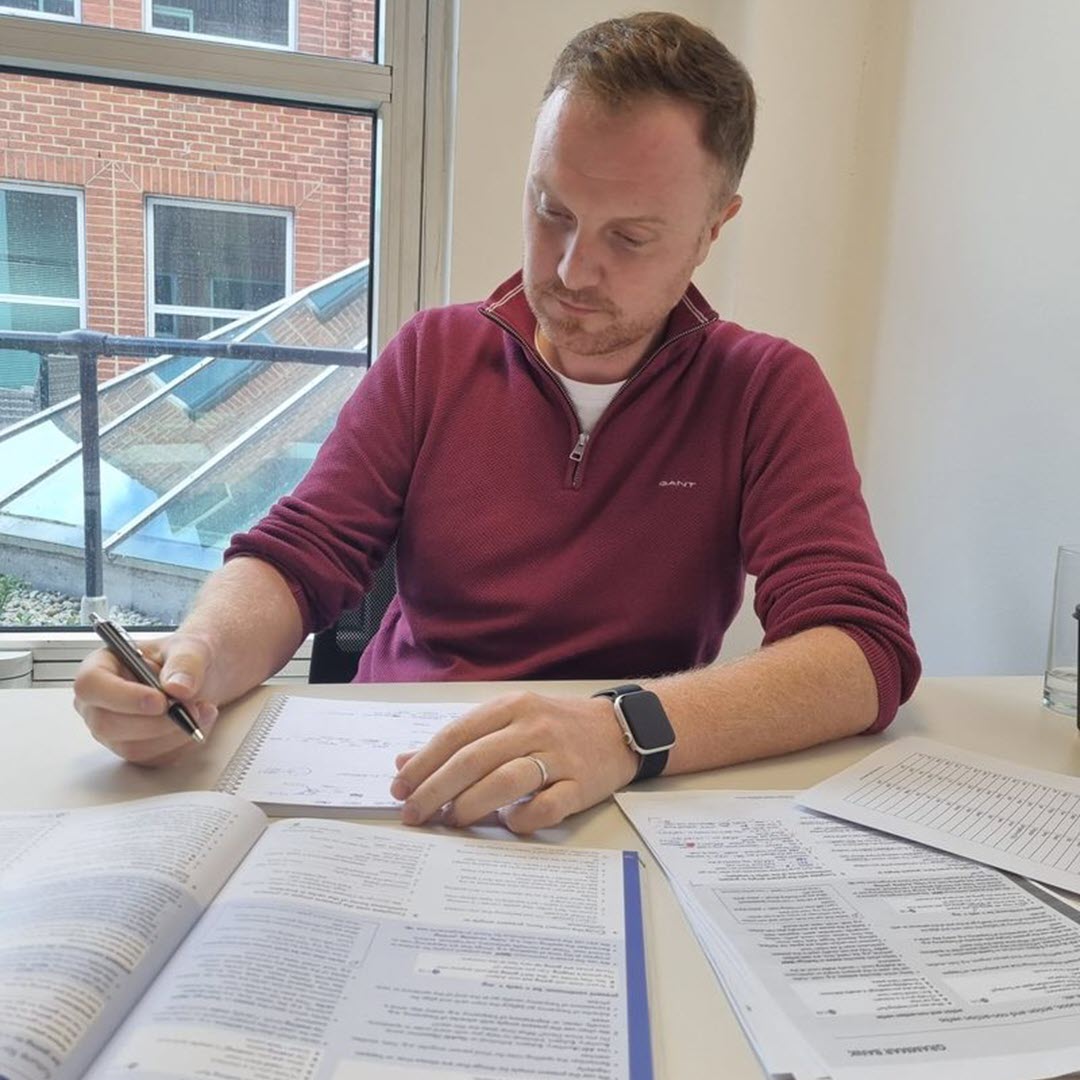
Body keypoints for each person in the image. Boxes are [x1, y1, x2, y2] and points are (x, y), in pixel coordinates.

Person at [74, 12, 920, 832]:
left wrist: (621, 728)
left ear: (711, 231)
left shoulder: (764, 390)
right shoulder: (434, 355)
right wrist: (196, 661)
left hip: (607, 800)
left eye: (630, 237)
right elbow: (301, 557)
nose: (570, 269)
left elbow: (862, 648)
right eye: (552, 210)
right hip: (390, 778)